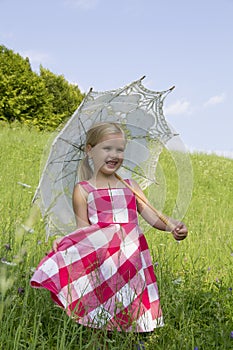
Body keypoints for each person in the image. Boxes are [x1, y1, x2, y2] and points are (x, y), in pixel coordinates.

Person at [30, 122, 188, 336]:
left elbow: (153, 216)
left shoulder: (131, 185)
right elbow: (83, 231)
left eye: (119, 149)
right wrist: (66, 242)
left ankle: (134, 339)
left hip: (132, 258)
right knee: (104, 309)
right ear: (90, 150)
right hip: (104, 260)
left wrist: (172, 226)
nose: (114, 154)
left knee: (133, 305)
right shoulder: (84, 190)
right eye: (107, 148)